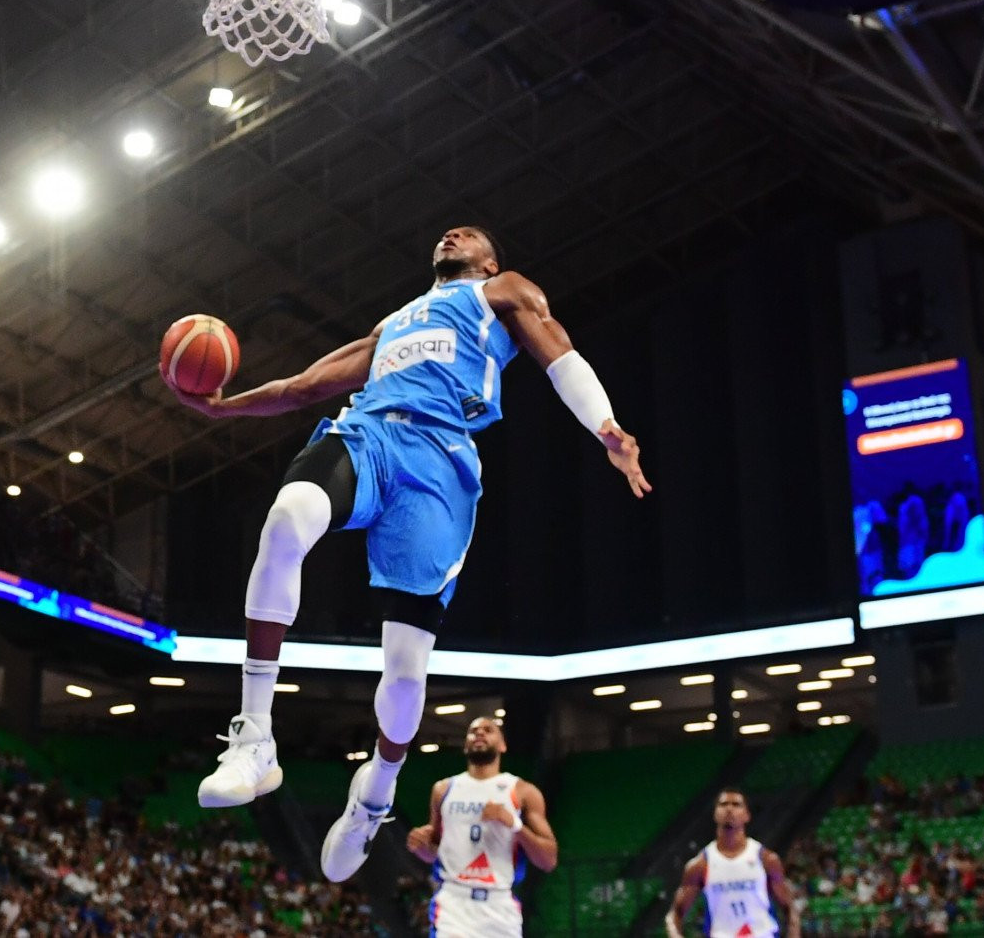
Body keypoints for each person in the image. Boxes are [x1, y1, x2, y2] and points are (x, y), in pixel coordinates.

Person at [174, 226, 648, 881]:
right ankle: (255, 738)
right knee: (286, 518)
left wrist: (606, 427)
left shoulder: (499, 292)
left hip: (438, 465)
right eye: (448, 231)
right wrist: (227, 409)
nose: (452, 232)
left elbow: (559, 351)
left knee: (403, 671)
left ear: (489, 261)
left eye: (470, 233)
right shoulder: (393, 323)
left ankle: (376, 791)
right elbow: (305, 385)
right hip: (367, 435)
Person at [404, 716, 557, 935]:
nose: (480, 733)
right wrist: (420, 846)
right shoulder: (443, 789)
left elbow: (549, 860)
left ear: (502, 745)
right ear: (465, 745)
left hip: (499, 905)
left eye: (488, 730)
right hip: (453, 905)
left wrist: (514, 824)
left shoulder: (523, 792)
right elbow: (434, 853)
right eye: (473, 731)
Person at [666, 788, 799, 938]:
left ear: (747, 815)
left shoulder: (766, 859)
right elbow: (674, 915)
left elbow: (790, 909)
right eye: (723, 804)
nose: (729, 809)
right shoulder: (700, 865)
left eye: (736, 804)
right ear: (715, 814)